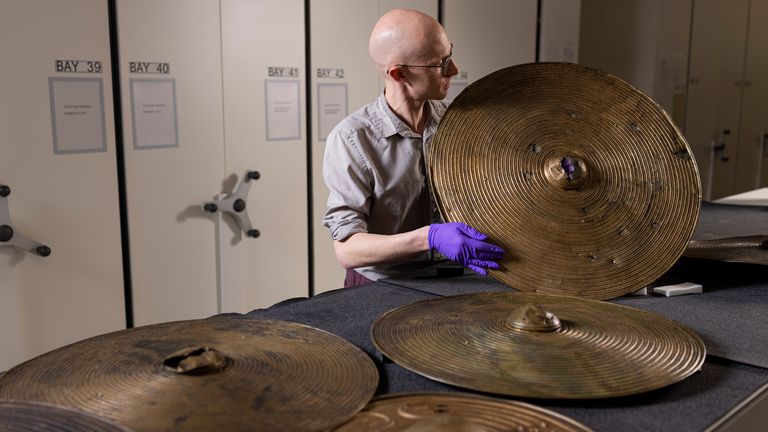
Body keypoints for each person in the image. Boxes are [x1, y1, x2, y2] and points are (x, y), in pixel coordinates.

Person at [322, 8, 504, 287]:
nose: (453, 70)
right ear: (399, 74)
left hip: (459, 280)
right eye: (441, 63)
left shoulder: (458, 123)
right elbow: (347, 250)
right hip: (384, 285)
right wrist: (429, 237)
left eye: (450, 55)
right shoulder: (352, 139)